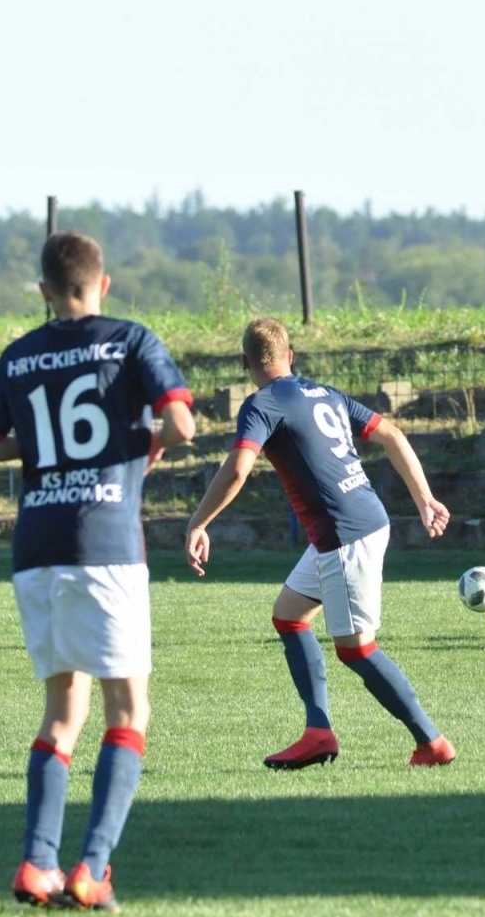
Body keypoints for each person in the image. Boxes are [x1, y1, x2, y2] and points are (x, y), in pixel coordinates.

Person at [0, 231, 197, 911]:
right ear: (103, 283)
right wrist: (140, 440)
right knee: (129, 709)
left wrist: (39, 450)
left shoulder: (19, 354)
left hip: (36, 546)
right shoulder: (130, 340)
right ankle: (92, 868)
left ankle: (38, 865)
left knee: (63, 711)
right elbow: (180, 426)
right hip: (106, 545)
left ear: (43, 290)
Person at [186, 318, 456, 769]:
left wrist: (198, 521)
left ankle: (431, 742)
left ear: (245, 363)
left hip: (344, 535)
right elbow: (393, 435)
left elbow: (237, 469)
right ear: (291, 357)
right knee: (289, 615)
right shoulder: (324, 393)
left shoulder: (261, 404)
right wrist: (424, 498)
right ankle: (317, 732)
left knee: (356, 649)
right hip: (357, 523)